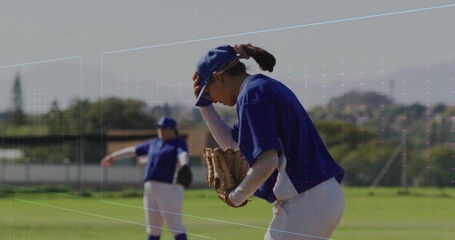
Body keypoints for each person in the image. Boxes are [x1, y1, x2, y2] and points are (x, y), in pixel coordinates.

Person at [192, 44, 345, 240]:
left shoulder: (252, 95)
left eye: (208, 91)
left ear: (219, 77)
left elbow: (267, 161)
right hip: (316, 197)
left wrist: (237, 196)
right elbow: (233, 145)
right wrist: (205, 107)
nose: (210, 97)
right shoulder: (260, 88)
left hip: (306, 200)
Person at [101, 117, 190, 240]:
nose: (160, 130)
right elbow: (133, 150)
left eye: (164, 128)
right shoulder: (154, 143)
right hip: (150, 189)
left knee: (175, 226)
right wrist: (113, 156)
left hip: (169, 188)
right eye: (159, 128)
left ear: (172, 130)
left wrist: (185, 164)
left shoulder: (178, 143)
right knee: (153, 228)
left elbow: (183, 154)